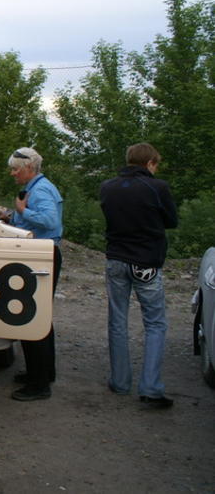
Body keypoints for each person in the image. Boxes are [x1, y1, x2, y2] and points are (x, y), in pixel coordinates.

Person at [100, 143, 178, 409]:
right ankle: (151, 388)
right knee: (155, 323)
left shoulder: (107, 187)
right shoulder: (157, 187)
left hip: (116, 259)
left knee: (117, 320)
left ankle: (120, 381)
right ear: (150, 163)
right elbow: (171, 221)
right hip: (146, 261)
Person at [5, 147, 63, 401]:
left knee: (30, 317)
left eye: (15, 169)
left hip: (40, 255)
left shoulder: (39, 190)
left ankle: (39, 385)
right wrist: (11, 216)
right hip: (43, 254)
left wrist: (22, 211)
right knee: (40, 316)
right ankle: (43, 373)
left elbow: (50, 221)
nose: (12, 173)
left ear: (29, 168)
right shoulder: (40, 187)